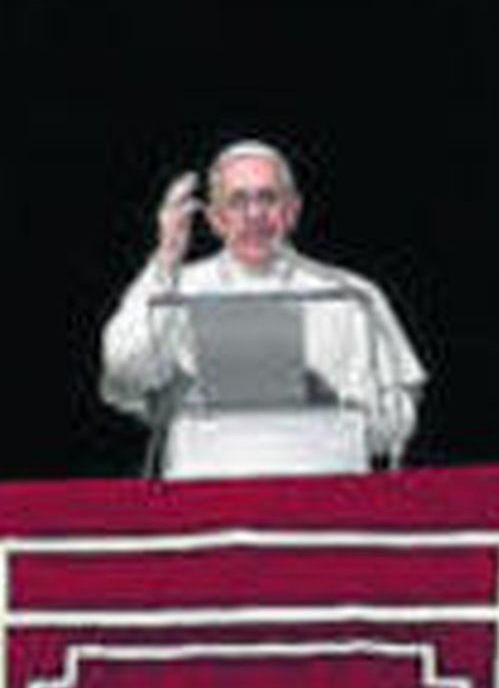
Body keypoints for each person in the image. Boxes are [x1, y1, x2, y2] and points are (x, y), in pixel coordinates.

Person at [100, 139, 425, 470]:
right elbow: (124, 374)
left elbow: (395, 426)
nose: (254, 214)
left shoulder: (351, 295)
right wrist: (166, 258)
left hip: (323, 488)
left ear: (292, 210)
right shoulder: (175, 290)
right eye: (237, 201)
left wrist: (336, 409)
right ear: (214, 218)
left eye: (267, 198)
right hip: (205, 490)